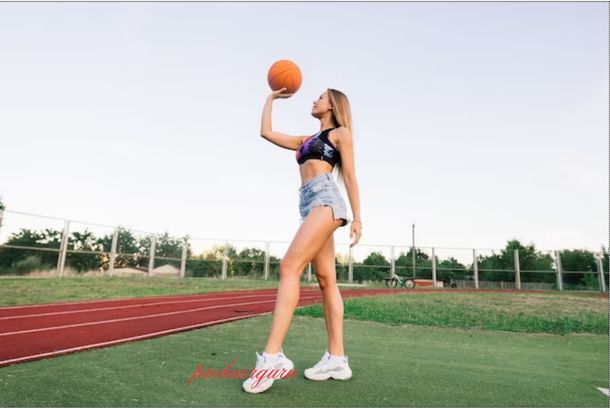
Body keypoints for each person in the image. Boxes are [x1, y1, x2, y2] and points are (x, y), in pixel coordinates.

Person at [242, 87, 362, 393]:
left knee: (289, 267)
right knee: (326, 280)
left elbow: (349, 176)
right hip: (309, 204)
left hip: (326, 200)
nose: (314, 100)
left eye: (320, 97)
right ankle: (337, 358)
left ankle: (273, 357)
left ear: (332, 105)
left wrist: (358, 218)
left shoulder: (340, 134)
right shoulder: (305, 140)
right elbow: (266, 132)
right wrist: (270, 99)